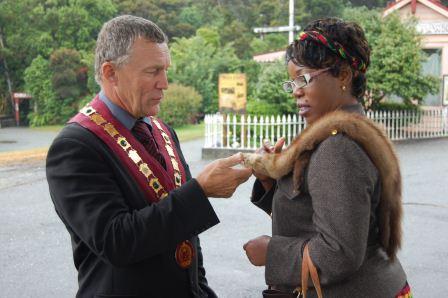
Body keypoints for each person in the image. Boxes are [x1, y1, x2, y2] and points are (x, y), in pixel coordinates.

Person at [46, 15, 252, 298]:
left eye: (165, 70)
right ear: (110, 73)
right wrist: (200, 191)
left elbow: (186, 238)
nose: (165, 83)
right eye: (153, 71)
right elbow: (116, 241)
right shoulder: (76, 145)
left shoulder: (162, 130)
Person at [243, 18, 412, 297]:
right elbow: (316, 212)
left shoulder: (337, 147)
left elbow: (340, 253)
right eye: (291, 82)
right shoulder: (352, 130)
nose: (296, 90)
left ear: (344, 75)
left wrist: (271, 252)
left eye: (304, 79)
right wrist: (270, 183)